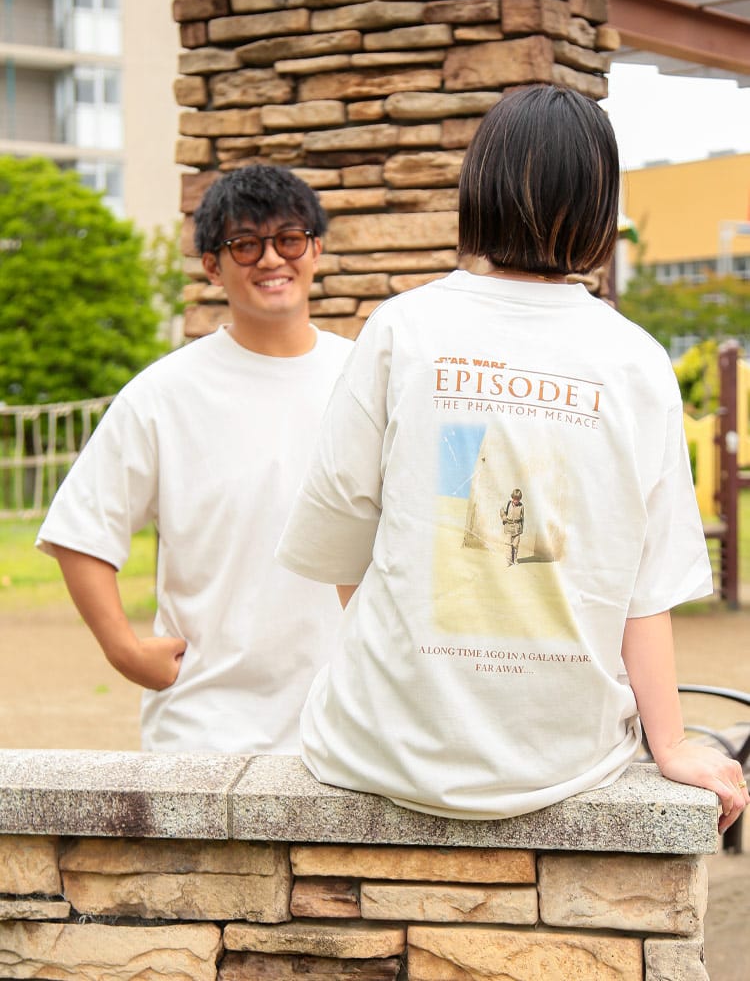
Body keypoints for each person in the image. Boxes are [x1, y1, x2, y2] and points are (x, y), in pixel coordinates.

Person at [276, 85, 748, 832]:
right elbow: (646, 588)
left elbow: (342, 538)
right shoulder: (635, 361)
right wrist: (671, 743)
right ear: (602, 208)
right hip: (565, 756)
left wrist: (413, 673)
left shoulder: (402, 329)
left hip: (380, 746)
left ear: (479, 192)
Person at [37, 164, 353, 753]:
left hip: (346, 722)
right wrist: (125, 650)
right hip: (206, 726)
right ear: (212, 265)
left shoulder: (363, 378)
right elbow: (81, 528)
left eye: (289, 239)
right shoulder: (164, 393)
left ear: (315, 249)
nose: (271, 259)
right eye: (245, 245)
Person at [500, 488, 524, 566]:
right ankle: (508, 560)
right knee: (508, 545)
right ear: (512, 497)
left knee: (515, 545)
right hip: (509, 527)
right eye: (514, 499)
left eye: (518, 499)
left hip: (517, 528)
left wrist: (521, 529)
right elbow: (502, 510)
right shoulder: (508, 504)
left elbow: (522, 518)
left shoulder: (521, 506)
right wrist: (503, 517)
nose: (516, 501)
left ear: (520, 499)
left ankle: (515, 559)